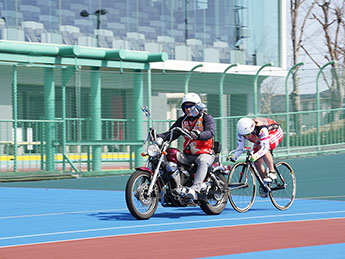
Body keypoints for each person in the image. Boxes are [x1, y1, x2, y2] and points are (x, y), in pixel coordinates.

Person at [158, 93, 215, 200]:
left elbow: (210, 132)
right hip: (188, 154)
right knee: (171, 155)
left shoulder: (206, 118)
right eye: (186, 107)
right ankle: (175, 187)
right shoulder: (183, 120)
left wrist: (199, 135)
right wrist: (159, 137)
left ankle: (195, 189)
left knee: (202, 161)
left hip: (205, 152)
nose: (188, 109)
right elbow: (172, 132)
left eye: (191, 106)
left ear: (198, 106)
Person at [228, 117, 284, 197]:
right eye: (244, 136)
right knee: (257, 162)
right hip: (259, 138)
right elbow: (240, 147)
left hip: (274, 132)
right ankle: (265, 185)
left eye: (248, 135)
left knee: (262, 147)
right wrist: (234, 156)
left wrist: (256, 155)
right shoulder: (242, 132)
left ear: (252, 129)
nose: (246, 137)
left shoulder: (261, 129)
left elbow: (265, 148)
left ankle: (272, 172)